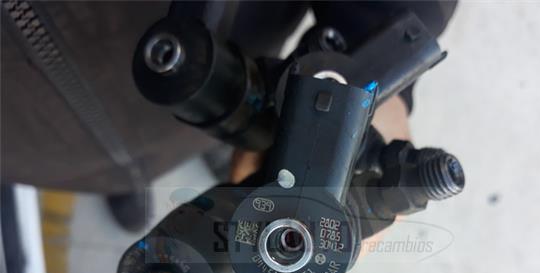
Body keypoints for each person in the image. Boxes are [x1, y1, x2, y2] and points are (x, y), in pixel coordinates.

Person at [1, 1, 456, 231]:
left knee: (244, 124)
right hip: (31, 141)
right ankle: (119, 180)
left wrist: (374, 42)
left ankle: (234, 135)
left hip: (233, 55)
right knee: (107, 165)